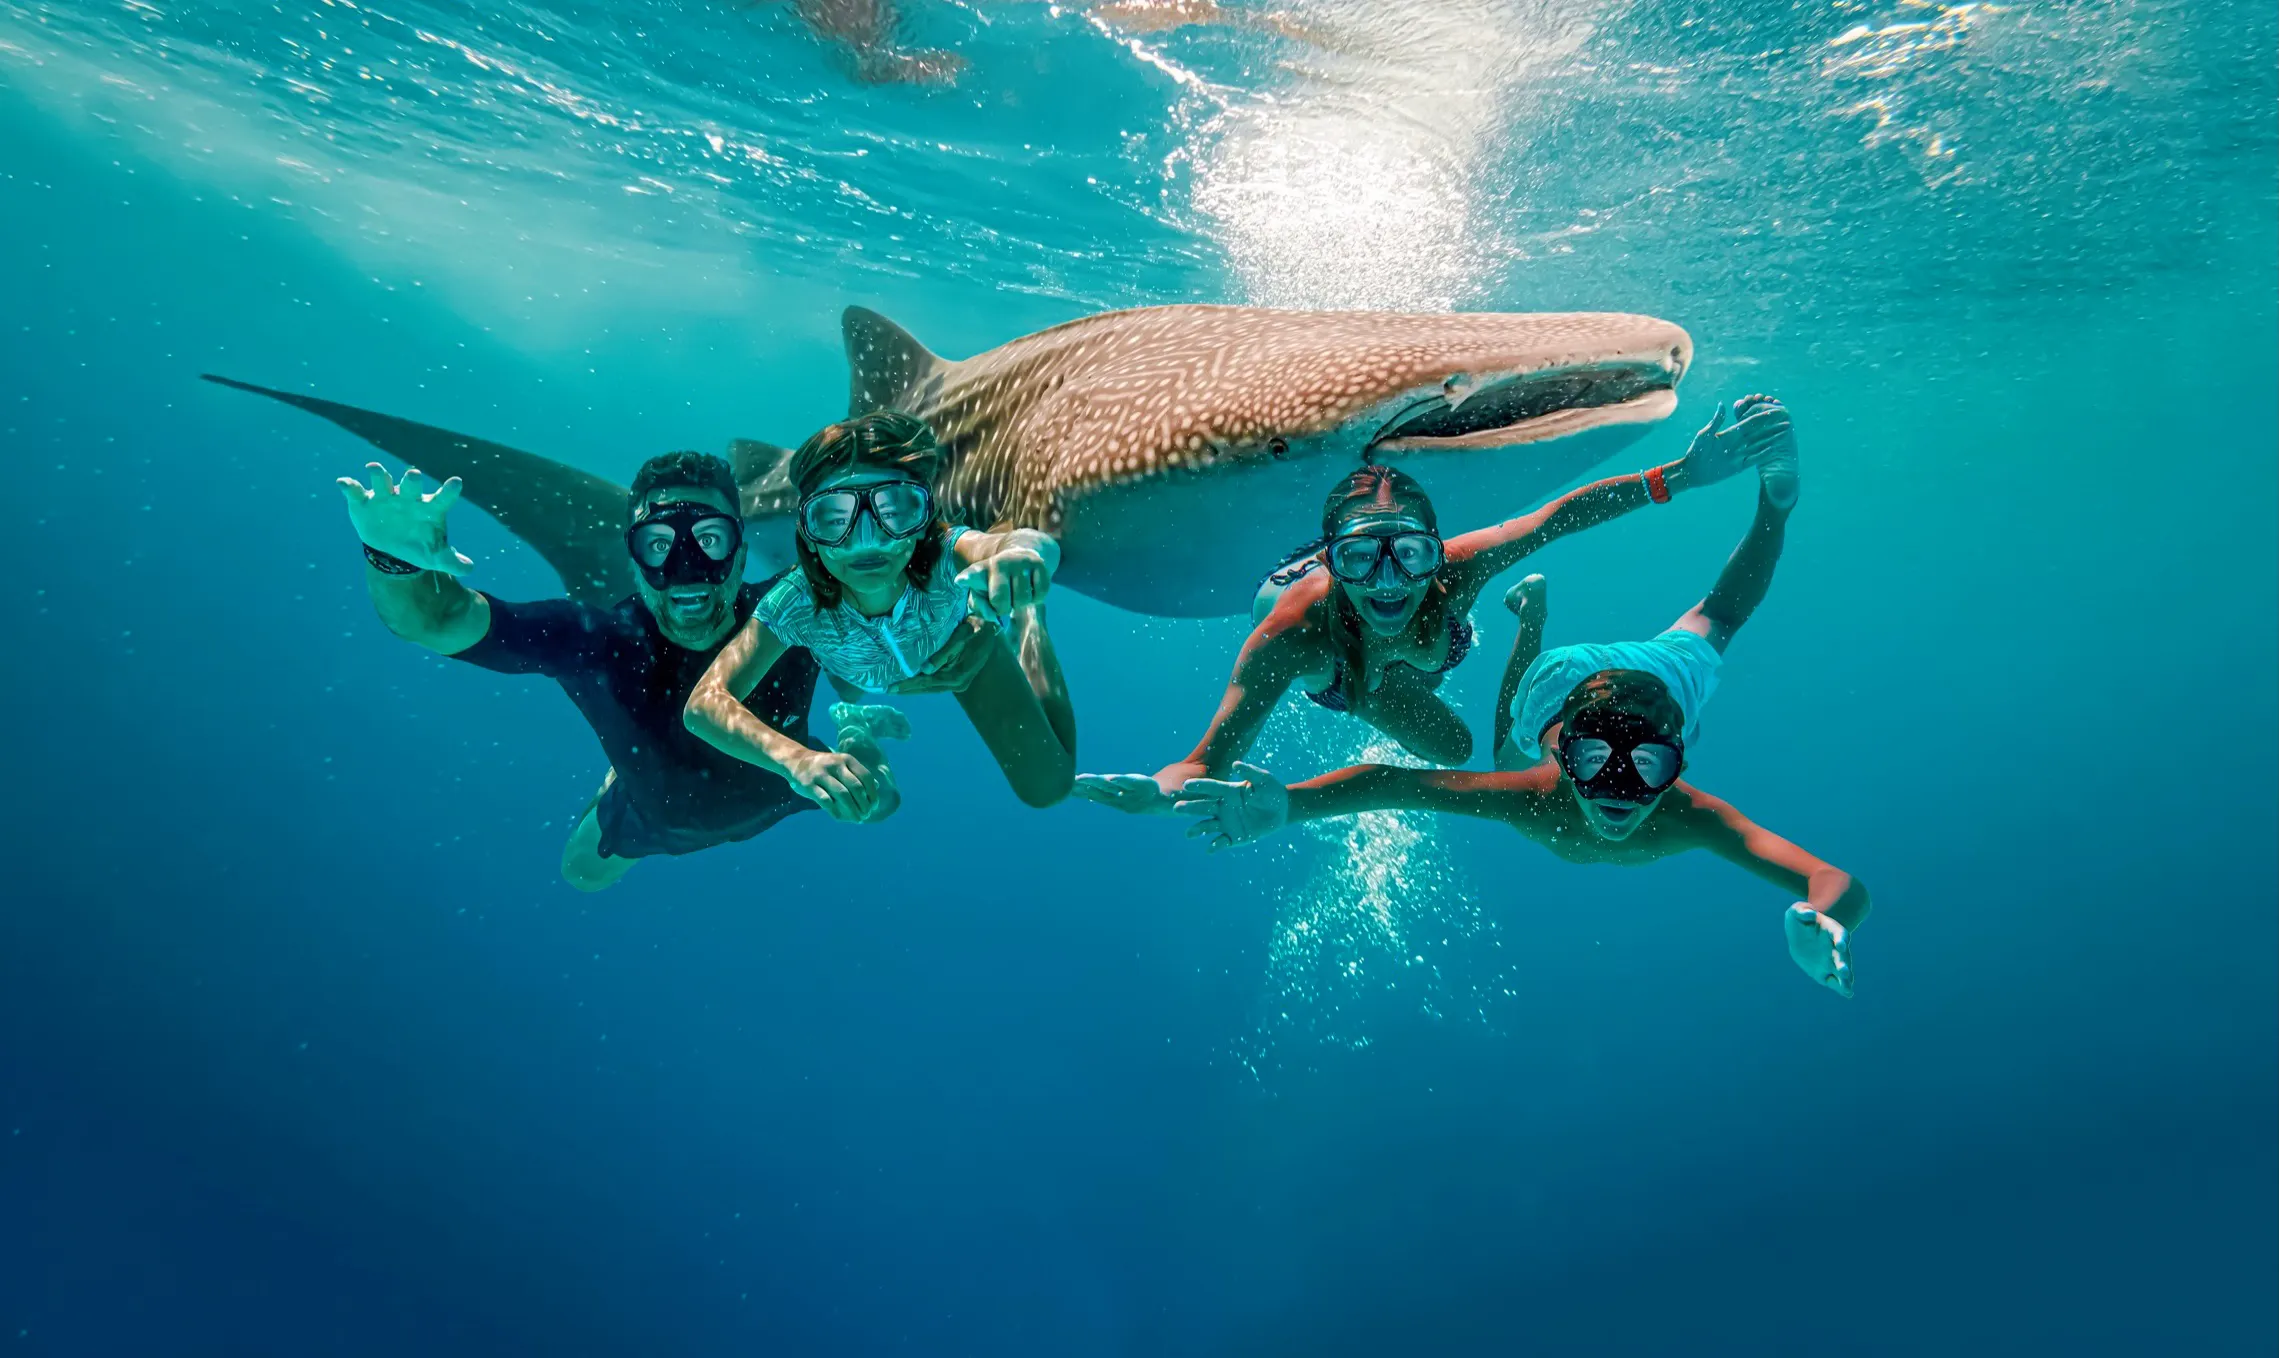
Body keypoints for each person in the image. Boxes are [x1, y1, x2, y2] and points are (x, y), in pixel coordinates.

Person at [1170, 400, 1867, 998]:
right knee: (1513, 741)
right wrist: (1283, 803)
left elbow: (1833, 881)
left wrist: (1828, 918)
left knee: (1716, 624)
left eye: (1647, 766)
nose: (1617, 790)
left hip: (1646, 682)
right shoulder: (1592, 798)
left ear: (1676, 760)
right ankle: (1528, 621)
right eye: (1594, 761)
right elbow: (1394, 782)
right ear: (1563, 753)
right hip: (1566, 683)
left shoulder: (1666, 806)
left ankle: (1770, 510)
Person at [1070, 393, 1798, 817]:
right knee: (1448, 745)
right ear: (1331, 560)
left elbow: (1558, 516)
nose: (1388, 580)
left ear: (1435, 548)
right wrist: (1163, 791)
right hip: (1350, 671)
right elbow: (1205, 759)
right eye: (1360, 559)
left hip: (1405, 645)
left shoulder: (1458, 570)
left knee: (1452, 737)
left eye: (1409, 555)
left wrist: (1681, 474)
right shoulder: (1291, 640)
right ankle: (1313, 558)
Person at [336, 448, 997, 890]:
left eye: (709, 541)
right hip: (660, 815)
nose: (686, 568)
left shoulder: (789, 606)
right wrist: (394, 558)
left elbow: (903, 592)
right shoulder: (596, 639)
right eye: (660, 545)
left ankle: (853, 729)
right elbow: (437, 620)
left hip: (789, 779)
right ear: (632, 558)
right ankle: (618, 782)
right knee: (580, 875)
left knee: (880, 803)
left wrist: (980, 586)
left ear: (741, 551)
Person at [683, 411, 1078, 819]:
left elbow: (1017, 542)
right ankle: (855, 722)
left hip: (957, 654)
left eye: (894, 510)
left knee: (1049, 786)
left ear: (922, 517)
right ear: (808, 534)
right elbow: (703, 705)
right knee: (873, 803)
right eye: (835, 518)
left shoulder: (945, 553)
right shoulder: (794, 604)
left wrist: (1022, 556)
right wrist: (795, 760)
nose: (866, 542)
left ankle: (1030, 613)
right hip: (853, 666)